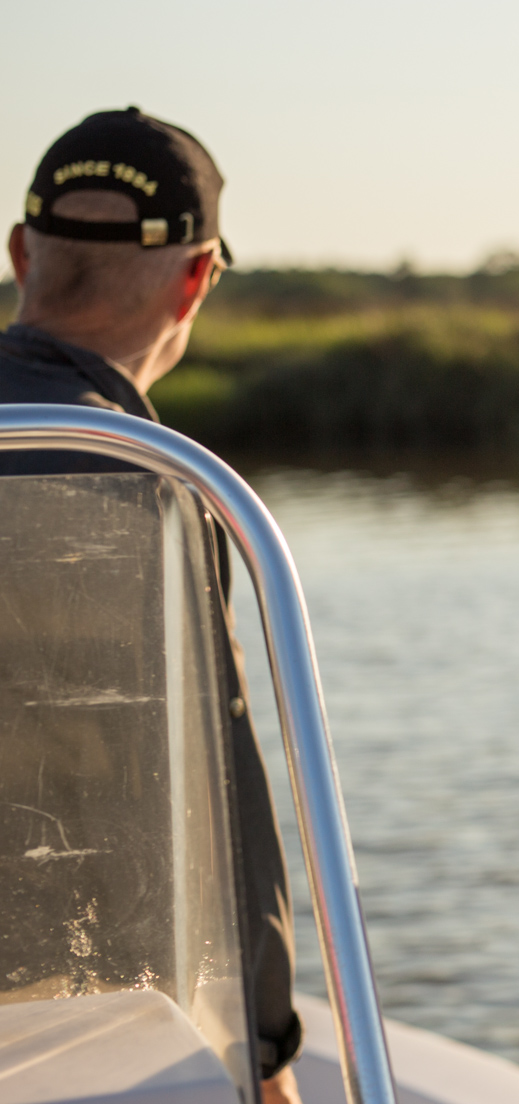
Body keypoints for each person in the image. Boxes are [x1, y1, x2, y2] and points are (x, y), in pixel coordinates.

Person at [3, 107, 304, 1104]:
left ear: (19, 253)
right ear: (197, 277)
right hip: (66, 1023)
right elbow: (220, 794)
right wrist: (265, 1054)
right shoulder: (153, 484)